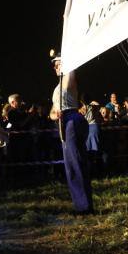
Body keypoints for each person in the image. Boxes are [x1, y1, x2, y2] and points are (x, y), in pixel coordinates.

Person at [51, 53, 93, 214]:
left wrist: (68, 64)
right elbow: (52, 111)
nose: (56, 67)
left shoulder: (69, 79)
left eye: (58, 64)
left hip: (73, 118)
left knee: (76, 161)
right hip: (63, 121)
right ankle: (80, 204)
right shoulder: (56, 88)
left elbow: (68, 84)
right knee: (70, 165)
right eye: (55, 65)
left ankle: (85, 206)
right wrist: (55, 115)